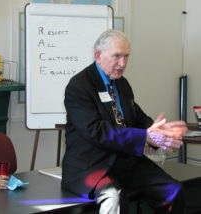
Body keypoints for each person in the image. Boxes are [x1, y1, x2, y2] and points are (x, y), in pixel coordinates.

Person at [61, 29, 188, 214]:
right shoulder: (79, 86)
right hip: (91, 164)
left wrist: (159, 131)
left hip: (125, 162)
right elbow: (96, 131)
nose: (123, 63)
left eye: (126, 56)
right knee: (113, 198)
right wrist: (146, 136)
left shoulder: (121, 83)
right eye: (117, 56)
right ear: (98, 55)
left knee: (174, 191)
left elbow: (136, 117)